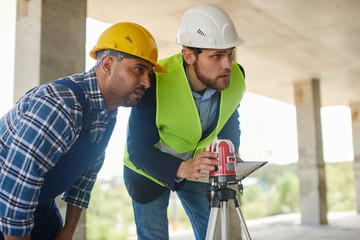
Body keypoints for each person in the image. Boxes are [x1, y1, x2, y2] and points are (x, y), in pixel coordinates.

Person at [0, 22, 166, 240]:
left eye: (149, 73)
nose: (146, 82)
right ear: (107, 65)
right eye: (139, 69)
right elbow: (19, 185)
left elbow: (84, 178)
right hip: (9, 201)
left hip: (38, 205)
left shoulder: (107, 115)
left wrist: (68, 231)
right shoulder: (61, 105)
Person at [123, 3, 246, 240]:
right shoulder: (155, 81)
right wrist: (183, 169)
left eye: (230, 53)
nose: (227, 64)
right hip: (148, 169)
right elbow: (138, 149)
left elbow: (230, 115)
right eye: (216, 56)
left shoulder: (235, 78)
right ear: (189, 55)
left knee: (215, 234)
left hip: (195, 165)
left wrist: (229, 152)